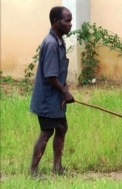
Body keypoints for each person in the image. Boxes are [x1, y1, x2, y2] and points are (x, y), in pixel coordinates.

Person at [30, 6, 74, 176]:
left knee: (62, 127)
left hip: (56, 98)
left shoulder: (59, 41)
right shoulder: (50, 43)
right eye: (67, 20)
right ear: (56, 22)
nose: (70, 24)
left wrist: (65, 90)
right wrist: (65, 92)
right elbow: (50, 76)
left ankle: (57, 168)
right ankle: (33, 171)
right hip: (48, 99)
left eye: (70, 20)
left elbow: (58, 73)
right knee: (47, 131)